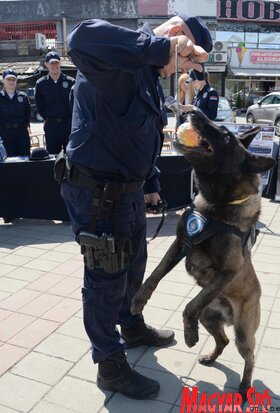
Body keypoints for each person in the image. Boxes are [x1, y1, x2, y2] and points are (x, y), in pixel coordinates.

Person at [58, 14, 212, 400]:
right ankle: (109, 364)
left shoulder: (144, 73)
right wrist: (162, 47)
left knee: (133, 266)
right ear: (176, 39)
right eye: (187, 59)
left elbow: (139, 130)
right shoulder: (118, 58)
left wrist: (151, 182)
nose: (185, 70)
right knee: (105, 278)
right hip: (95, 192)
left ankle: (130, 323)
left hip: (126, 189)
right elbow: (79, 38)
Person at [35, 51, 75, 154]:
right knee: (52, 156)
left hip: (68, 124)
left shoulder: (71, 82)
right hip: (51, 126)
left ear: (60, 63)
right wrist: (47, 118)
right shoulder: (41, 84)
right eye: (51, 63)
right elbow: (39, 105)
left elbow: (75, 104)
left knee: (71, 156)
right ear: (46, 64)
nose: (54, 66)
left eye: (56, 63)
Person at [0, 69, 31, 157]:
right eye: (8, 79)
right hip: (5, 134)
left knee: (24, 160)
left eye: (13, 79)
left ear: (16, 81)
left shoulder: (23, 96)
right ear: (3, 81)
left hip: (21, 134)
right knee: (8, 163)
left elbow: (27, 116)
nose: (11, 82)